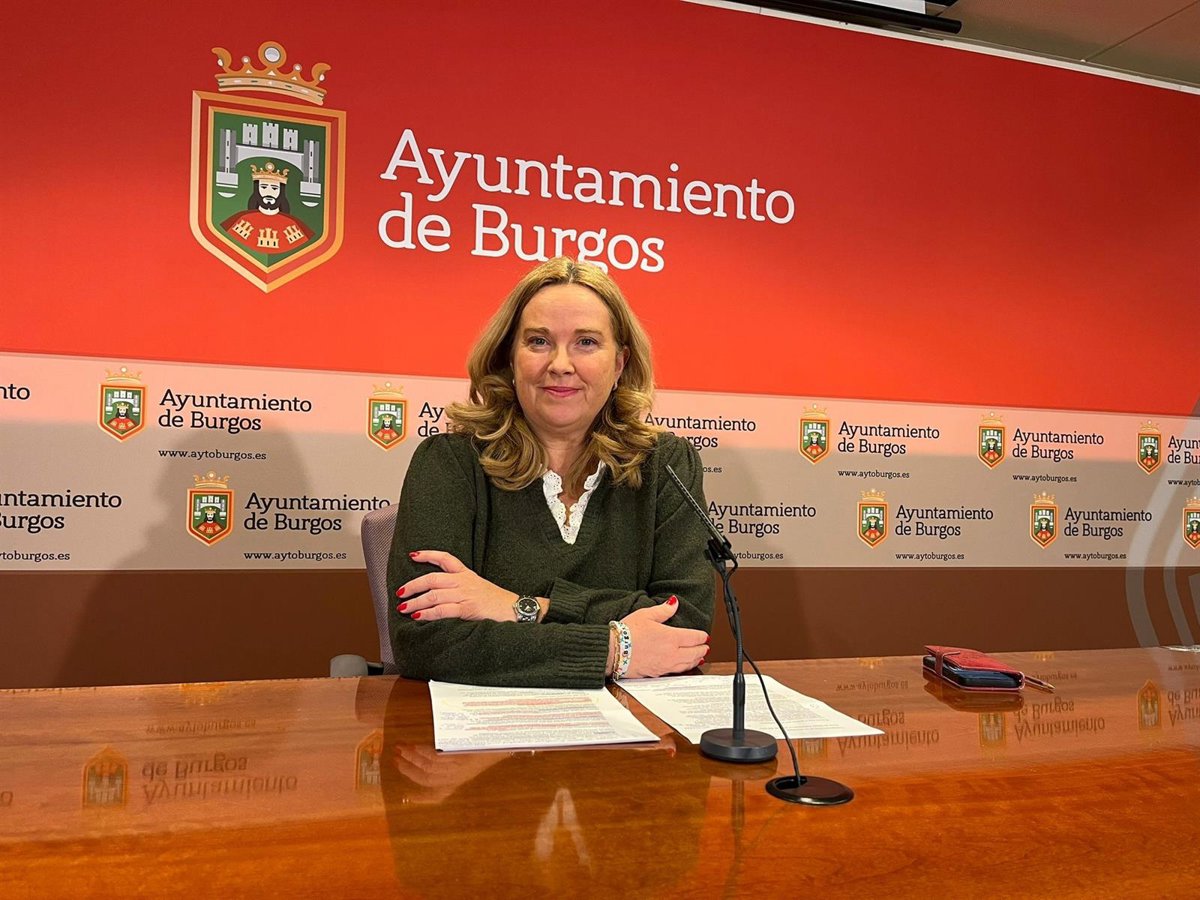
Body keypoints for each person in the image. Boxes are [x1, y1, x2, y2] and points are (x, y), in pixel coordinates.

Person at [386, 258, 713, 688]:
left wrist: (520, 607)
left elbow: (683, 627)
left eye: (586, 343)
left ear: (619, 364)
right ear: (509, 358)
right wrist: (612, 648)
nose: (560, 364)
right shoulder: (450, 462)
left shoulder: (666, 465)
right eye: (538, 341)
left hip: (634, 724)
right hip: (487, 726)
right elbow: (424, 640)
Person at [221, 161, 313, 254]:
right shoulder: (241, 219)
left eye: (274, 188)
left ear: (281, 192)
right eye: (264, 187)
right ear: (257, 190)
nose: (269, 192)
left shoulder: (293, 224)